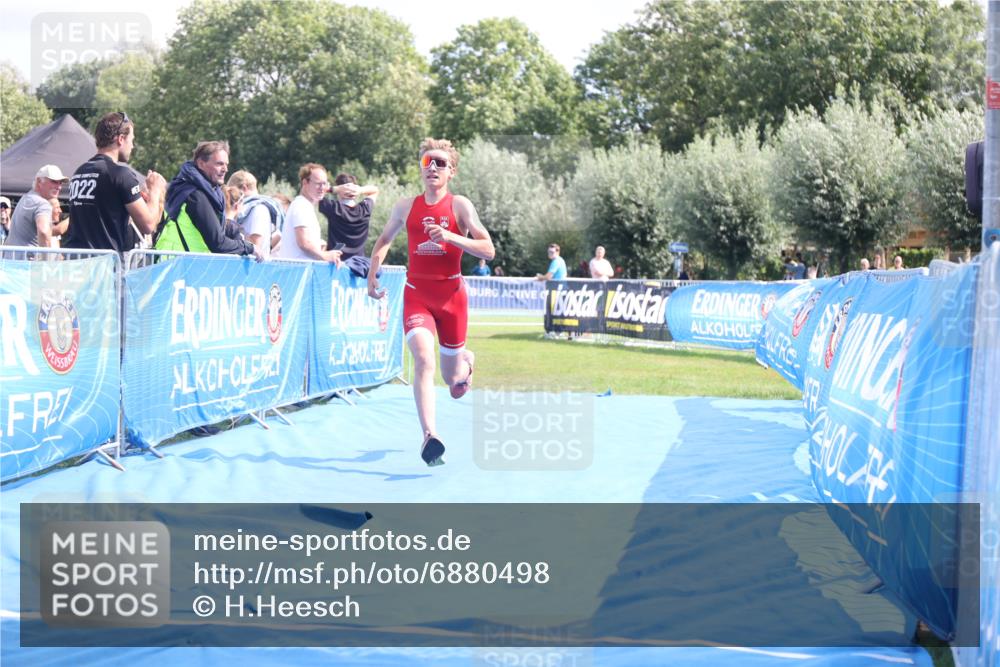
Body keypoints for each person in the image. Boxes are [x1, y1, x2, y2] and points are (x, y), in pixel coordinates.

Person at [367, 138, 494, 466]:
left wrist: (451, 236)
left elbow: (488, 249)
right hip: (417, 295)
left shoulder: (460, 205)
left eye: (439, 163)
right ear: (421, 169)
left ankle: (466, 366)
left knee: (453, 381)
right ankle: (429, 436)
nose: (433, 168)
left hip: (452, 297)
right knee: (423, 360)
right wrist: (372, 275)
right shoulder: (405, 206)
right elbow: (383, 240)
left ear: (451, 171)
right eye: (427, 163)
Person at [64, 111, 166, 253]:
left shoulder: (79, 172)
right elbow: (148, 225)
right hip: (100, 266)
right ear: (121, 139)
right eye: (132, 140)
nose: (133, 146)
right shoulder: (120, 174)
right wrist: (155, 190)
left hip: (74, 261)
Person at [155, 141, 260, 259]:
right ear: (201, 163)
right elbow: (218, 243)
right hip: (182, 267)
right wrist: (250, 248)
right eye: (219, 164)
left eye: (226, 164)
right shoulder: (195, 196)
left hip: (176, 264)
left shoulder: (183, 187)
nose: (225, 169)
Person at [274, 163, 343, 264]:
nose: (322, 188)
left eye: (325, 184)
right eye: (318, 184)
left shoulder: (304, 205)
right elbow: (304, 243)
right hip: (296, 273)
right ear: (305, 182)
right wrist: (325, 256)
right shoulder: (301, 206)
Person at [6, 165, 69, 253]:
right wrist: (45, 261)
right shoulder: (42, 204)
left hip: (13, 261)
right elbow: (43, 232)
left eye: (60, 183)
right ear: (39, 181)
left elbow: (50, 231)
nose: (59, 187)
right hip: (28, 263)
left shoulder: (26, 198)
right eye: (54, 181)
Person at [319, 173, 379, 260]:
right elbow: (375, 190)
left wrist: (333, 189)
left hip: (336, 264)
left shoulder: (333, 209)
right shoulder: (364, 209)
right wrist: (360, 190)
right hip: (358, 265)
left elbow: (315, 193)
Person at [227, 170, 284, 259]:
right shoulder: (250, 209)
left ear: (244, 188)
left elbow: (255, 243)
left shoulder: (258, 209)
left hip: (253, 267)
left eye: (234, 191)